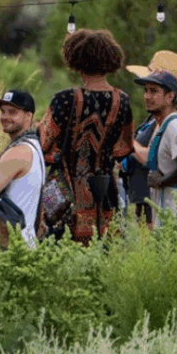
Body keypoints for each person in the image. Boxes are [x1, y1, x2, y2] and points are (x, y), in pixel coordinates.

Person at [38, 29, 134, 245]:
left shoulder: (64, 99)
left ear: (77, 61)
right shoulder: (123, 101)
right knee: (105, 248)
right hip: (105, 192)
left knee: (60, 251)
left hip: (66, 194)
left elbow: (44, 142)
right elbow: (123, 148)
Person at [121, 51, 177, 224]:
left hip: (168, 211)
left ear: (170, 95)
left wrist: (163, 180)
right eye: (146, 90)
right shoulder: (158, 121)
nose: (147, 96)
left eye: (154, 91)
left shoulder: (176, 123)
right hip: (153, 205)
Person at [0, 89, 44, 247]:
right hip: (25, 241)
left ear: (28, 116)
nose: (5, 117)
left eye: (13, 112)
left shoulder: (19, 152)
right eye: (3, 112)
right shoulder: (33, 145)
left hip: (13, 245)